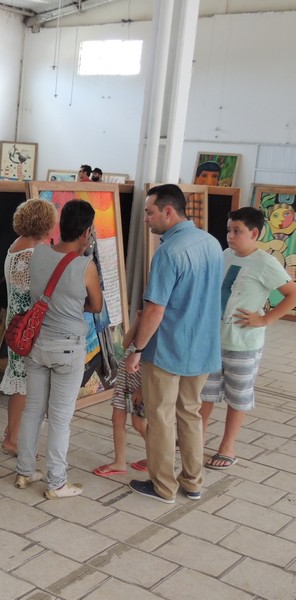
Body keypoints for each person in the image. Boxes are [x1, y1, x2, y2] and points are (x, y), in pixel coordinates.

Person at [125, 183, 223, 503]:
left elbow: (155, 309)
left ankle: (163, 486)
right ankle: (193, 482)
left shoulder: (168, 252)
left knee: (161, 417)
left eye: (149, 212)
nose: (146, 219)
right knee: (190, 413)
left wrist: (137, 349)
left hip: (168, 348)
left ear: (168, 211)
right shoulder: (211, 243)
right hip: (203, 344)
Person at [15, 200, 103, 499]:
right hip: (68, 349)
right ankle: (56, 483)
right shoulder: (85, 266)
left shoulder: (39, 253)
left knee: (33, 410)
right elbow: (96, 305)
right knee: (60, 418)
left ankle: (25, 471)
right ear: (86, 232)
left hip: (37, 344)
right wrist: (73, 304)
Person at [199, 207, 296, 470]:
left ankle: (227, 448)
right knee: (205, 394)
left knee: (237, 397)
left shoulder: (265, 262)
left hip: (243, 344)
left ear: (254, 233)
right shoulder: (225, 255)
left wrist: (264, 319)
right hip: (213, 340)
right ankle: (195, 438)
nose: (230, 236)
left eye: (237, 231)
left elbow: (292, 294)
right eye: (228, 230)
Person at [0, 199, 58, 456]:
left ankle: (11, 432)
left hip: (17, 322)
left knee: (20, 379)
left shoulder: (17, 246)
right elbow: (34, 291)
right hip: (27, 328)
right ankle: (13, 439)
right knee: (24, 384)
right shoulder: (31, 255)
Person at [92, 310, 148, 477]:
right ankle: (119, 462)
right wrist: (138, 321)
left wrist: (142, 389)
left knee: (139, 424)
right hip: (124, 381)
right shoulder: (144, 324)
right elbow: (125, 344)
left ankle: (158, 456)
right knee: (117, 419)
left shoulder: (157, 331)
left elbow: (155, 366)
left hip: (141, 385)